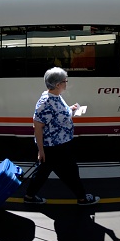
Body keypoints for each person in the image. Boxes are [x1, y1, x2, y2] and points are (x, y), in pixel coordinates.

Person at [24, 67, 100, 206]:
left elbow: (57, 115)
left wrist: (71, 109)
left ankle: (29, 196)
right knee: (71, 172)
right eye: (65, 81)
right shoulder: (45, 103)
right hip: (55, 147)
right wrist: (41, 151)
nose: (67, 83)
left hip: (58, 144)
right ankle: (82, 198)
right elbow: (37, 128)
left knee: (43, 172)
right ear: (58, 84)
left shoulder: (56, 97)